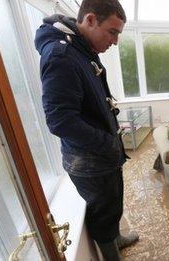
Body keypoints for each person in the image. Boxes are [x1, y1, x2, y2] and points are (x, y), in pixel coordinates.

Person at [34, 0, 138, 260]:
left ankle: (117, 239)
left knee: (112, 204)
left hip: (99, 154)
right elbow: (59, 120)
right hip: (90, 160)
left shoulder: (81, 48)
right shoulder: (61, 56)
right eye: (112, 32)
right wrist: (106, 142)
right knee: (103, 212)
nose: (114, 41)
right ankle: (112, 254)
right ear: (90, 20)